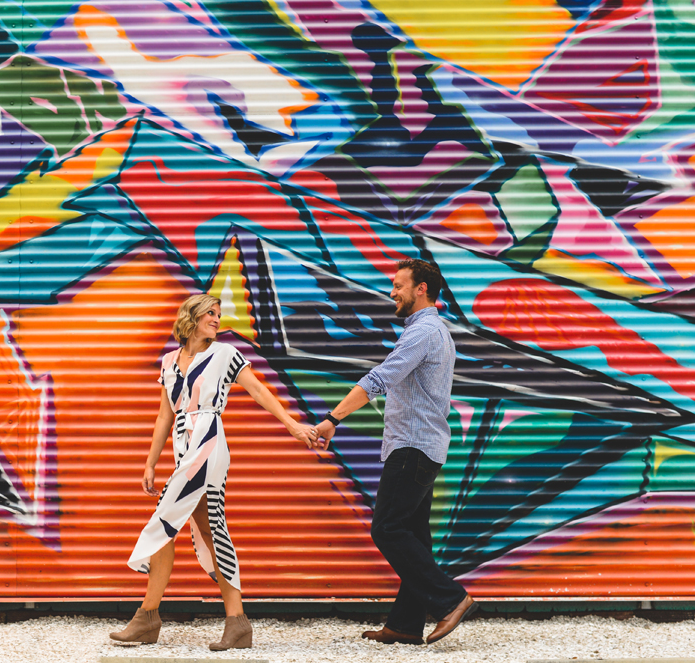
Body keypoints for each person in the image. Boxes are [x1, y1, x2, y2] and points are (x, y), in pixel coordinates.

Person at [110, 294, 314, 650]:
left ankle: (147, 615)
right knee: (206, 527)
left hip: (208, 443)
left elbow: (258, 389)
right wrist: (150, 461)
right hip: (182, 447)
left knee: (165, 522)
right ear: (191, 317)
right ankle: (236, 621)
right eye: (210, 313)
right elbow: (164, 415)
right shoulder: (169, 361)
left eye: (219, 314)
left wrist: (293, 426)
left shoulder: (225, 355)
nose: (217, 319)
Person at [311, 258, 476, 646]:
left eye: (399, 285)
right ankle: (405, 623)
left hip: (413, 448)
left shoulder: (424, 332)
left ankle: (451, 598)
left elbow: (380, 378)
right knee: (415, 538)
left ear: (422, 289)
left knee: (387, 528)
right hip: (422, 446)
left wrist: (333, 418)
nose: (392, 291)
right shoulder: (432, 330)